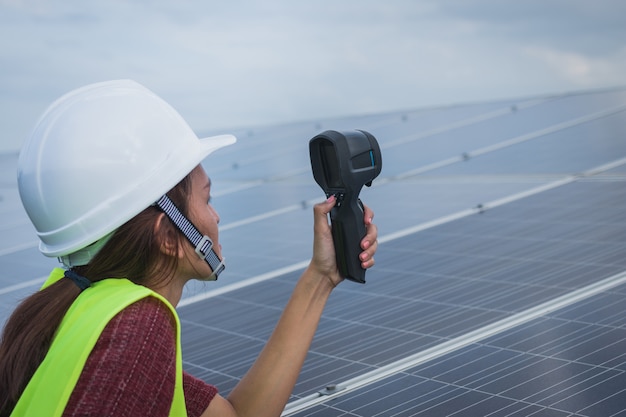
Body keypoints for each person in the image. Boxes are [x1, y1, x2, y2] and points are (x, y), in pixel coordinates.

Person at [0, 80, 378, 417]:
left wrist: (322, 276)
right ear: (167, 235)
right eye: (207, 199)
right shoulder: (134, 331)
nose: (216, 217)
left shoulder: (73, 307)